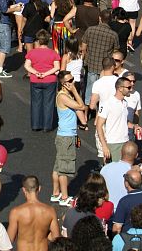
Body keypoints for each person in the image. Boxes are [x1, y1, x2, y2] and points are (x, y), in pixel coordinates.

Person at [52, 70, 86, 207]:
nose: (73, 82)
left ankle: (56, 193)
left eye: (73, 79)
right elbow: (81, 106)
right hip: (66, 137)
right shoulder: (63, 96)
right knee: (64, 169)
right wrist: (76, 91)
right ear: (64, 84)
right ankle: (64, 197)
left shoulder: (66, 95)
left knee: (58, 166)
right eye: (70, 81)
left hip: (65, 135)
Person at [7, 175, 59, 251]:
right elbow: (56, 238)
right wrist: (43, 232)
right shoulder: (50, 211)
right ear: (39, 188)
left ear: (24, 190)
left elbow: (9, 241)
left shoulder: (16, 212)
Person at [24, 29, 61, 132]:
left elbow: (27, 65)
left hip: (35, 80)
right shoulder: (53, 53)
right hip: (50, 80)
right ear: (48, 40)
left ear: (38, 41)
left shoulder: (32, 52)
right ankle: (47, 126)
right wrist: (46, 74)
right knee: (49, 103)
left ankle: (36, 125)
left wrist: (36, 72)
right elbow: (57, 67)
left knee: (36, 103)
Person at [81, 9, 120, 104]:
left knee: (89, 90)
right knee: (103, 92)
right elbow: (115, 52)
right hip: (105, 68)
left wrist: (84, 60)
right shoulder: (114, 35)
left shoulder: (90, 30)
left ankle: (87, 109)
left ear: (100, 18)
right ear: (110, 20)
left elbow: (83, 48)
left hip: (91, 64)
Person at [96, 77, 131, 162]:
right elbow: (99, 125)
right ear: (120, 88)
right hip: (113, 143)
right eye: (129, 87)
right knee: (113, 168)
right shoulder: (107, 103)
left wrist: (135, 126)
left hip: (125, 141)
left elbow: (123, 121)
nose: (131, 89)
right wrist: (104, 146)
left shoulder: (125, 103)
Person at [101, 140, 139, 209]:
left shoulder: (105, 168)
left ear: (121, 152)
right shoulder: (135, 175)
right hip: (124, 210)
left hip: (106, 209)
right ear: (136, 155)